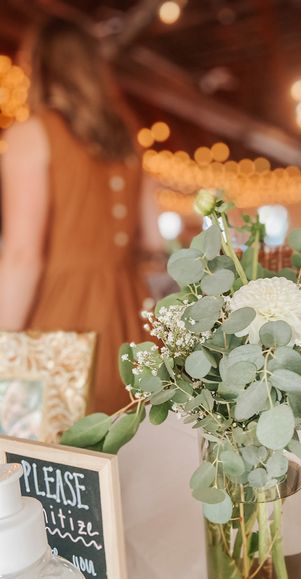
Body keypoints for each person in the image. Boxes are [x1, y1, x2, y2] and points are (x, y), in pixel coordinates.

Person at [0, 18, 162, 414]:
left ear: (38, 66)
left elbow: (23, 257)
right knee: (131, 456)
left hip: (59, 326)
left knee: (62, 461)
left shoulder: (31, 134)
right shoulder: (128, 139)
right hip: (132, 319)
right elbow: (154, 244)